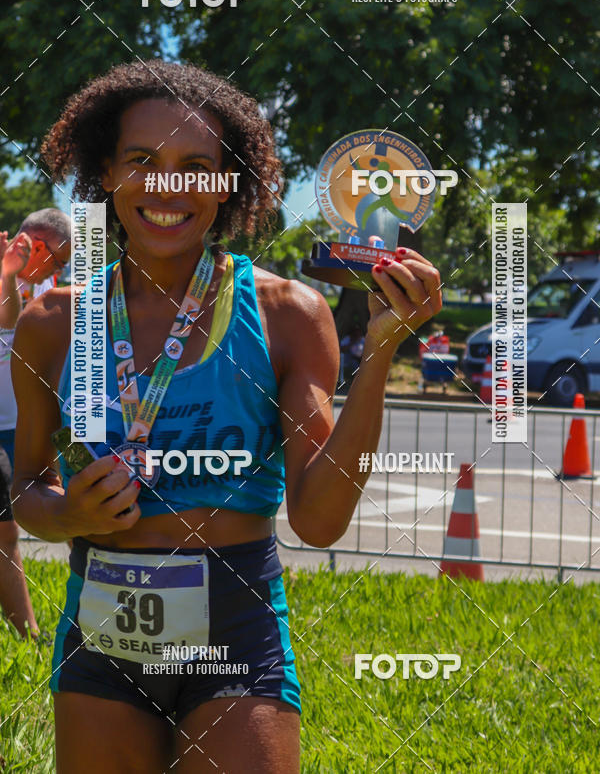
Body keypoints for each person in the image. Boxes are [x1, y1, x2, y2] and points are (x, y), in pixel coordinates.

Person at [11, 59, 442, 774]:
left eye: (197, 166)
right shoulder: (55, 323)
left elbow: (321, 521)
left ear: (229, 182)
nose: (169, 185)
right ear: (105, 175)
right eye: (142, 161)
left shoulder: (285, 315)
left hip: (238, 628)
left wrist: (382, 350)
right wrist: (65, 516)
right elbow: (27, 489)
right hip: (101, 634)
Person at [0, 209, 70, 638]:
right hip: (5, 429)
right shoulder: (13, 279)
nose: (60, 270)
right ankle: (28, 635)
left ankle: (40, 632)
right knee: (6, 534)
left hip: (39, 425)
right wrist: (8, 275)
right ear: (39, 247)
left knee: (76, 507)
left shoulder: (52, 288)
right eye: (59, 260)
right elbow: (10, 320)